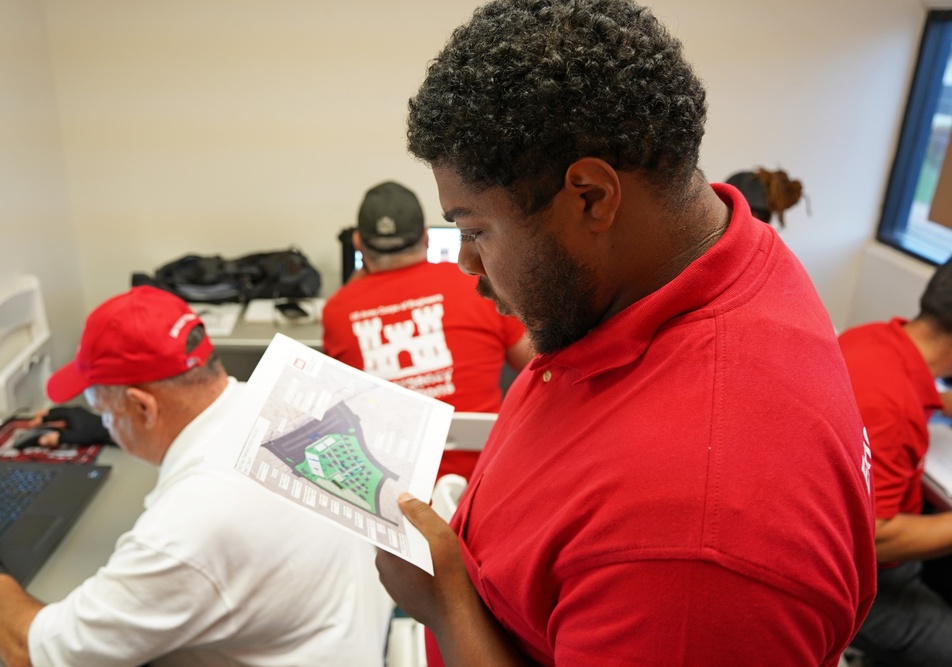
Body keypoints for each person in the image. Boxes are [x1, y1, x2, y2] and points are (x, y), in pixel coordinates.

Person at [373, 1, 877, 666]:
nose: (466, 262)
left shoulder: (693, 549)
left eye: (473, 230)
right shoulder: (704, 258)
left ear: (590, 197)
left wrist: (447, 602)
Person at [0, 286, 392, 667]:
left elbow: (35, 652)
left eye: (102, 408)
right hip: (342, 639)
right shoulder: (285, 403)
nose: (101, 419)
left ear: (143, 408)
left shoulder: (187, 529)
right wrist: (112, 431)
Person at [322, 180, 534, 480]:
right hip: (487, 476)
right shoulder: (476, 283)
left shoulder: (337, 310)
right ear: (426, 238)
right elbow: (536, 360)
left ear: (358, 243)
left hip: (395, 488)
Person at [840, 257, 952, 666]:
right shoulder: (893, 409)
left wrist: (939, 402)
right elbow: (877, 536)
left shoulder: (872, 339)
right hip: (859, 584)